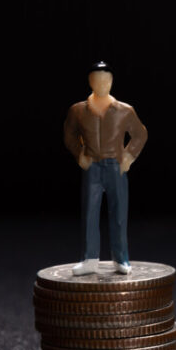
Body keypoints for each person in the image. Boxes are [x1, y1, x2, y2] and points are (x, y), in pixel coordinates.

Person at [63, 61, 148, 274]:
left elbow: (140, 134)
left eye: (105, 80)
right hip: (92, 165)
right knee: (89, 213)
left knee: (119, 212)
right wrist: (78, 154)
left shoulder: (124, 110)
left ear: (111, 81)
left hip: (115, 166)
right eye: (96, 79)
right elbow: (69, 134)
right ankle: (89, 258)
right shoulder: (79, 110)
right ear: (90, 81)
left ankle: (121, 259)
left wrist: (128, 156)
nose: (101, 84)